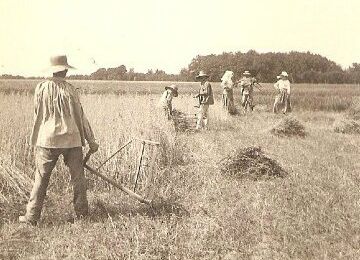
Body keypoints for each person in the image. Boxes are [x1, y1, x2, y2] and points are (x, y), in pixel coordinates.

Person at [19, 55, 99, 225]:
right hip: (72, 139)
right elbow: (81, 116)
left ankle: (32, 216)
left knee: (41, 178)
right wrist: (91, 140)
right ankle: (82, 214)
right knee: (78, 178)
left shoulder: (41, 88)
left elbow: (37, 116)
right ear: (65, 70)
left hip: (47, 140)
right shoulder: (70, 90)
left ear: (52, 70)